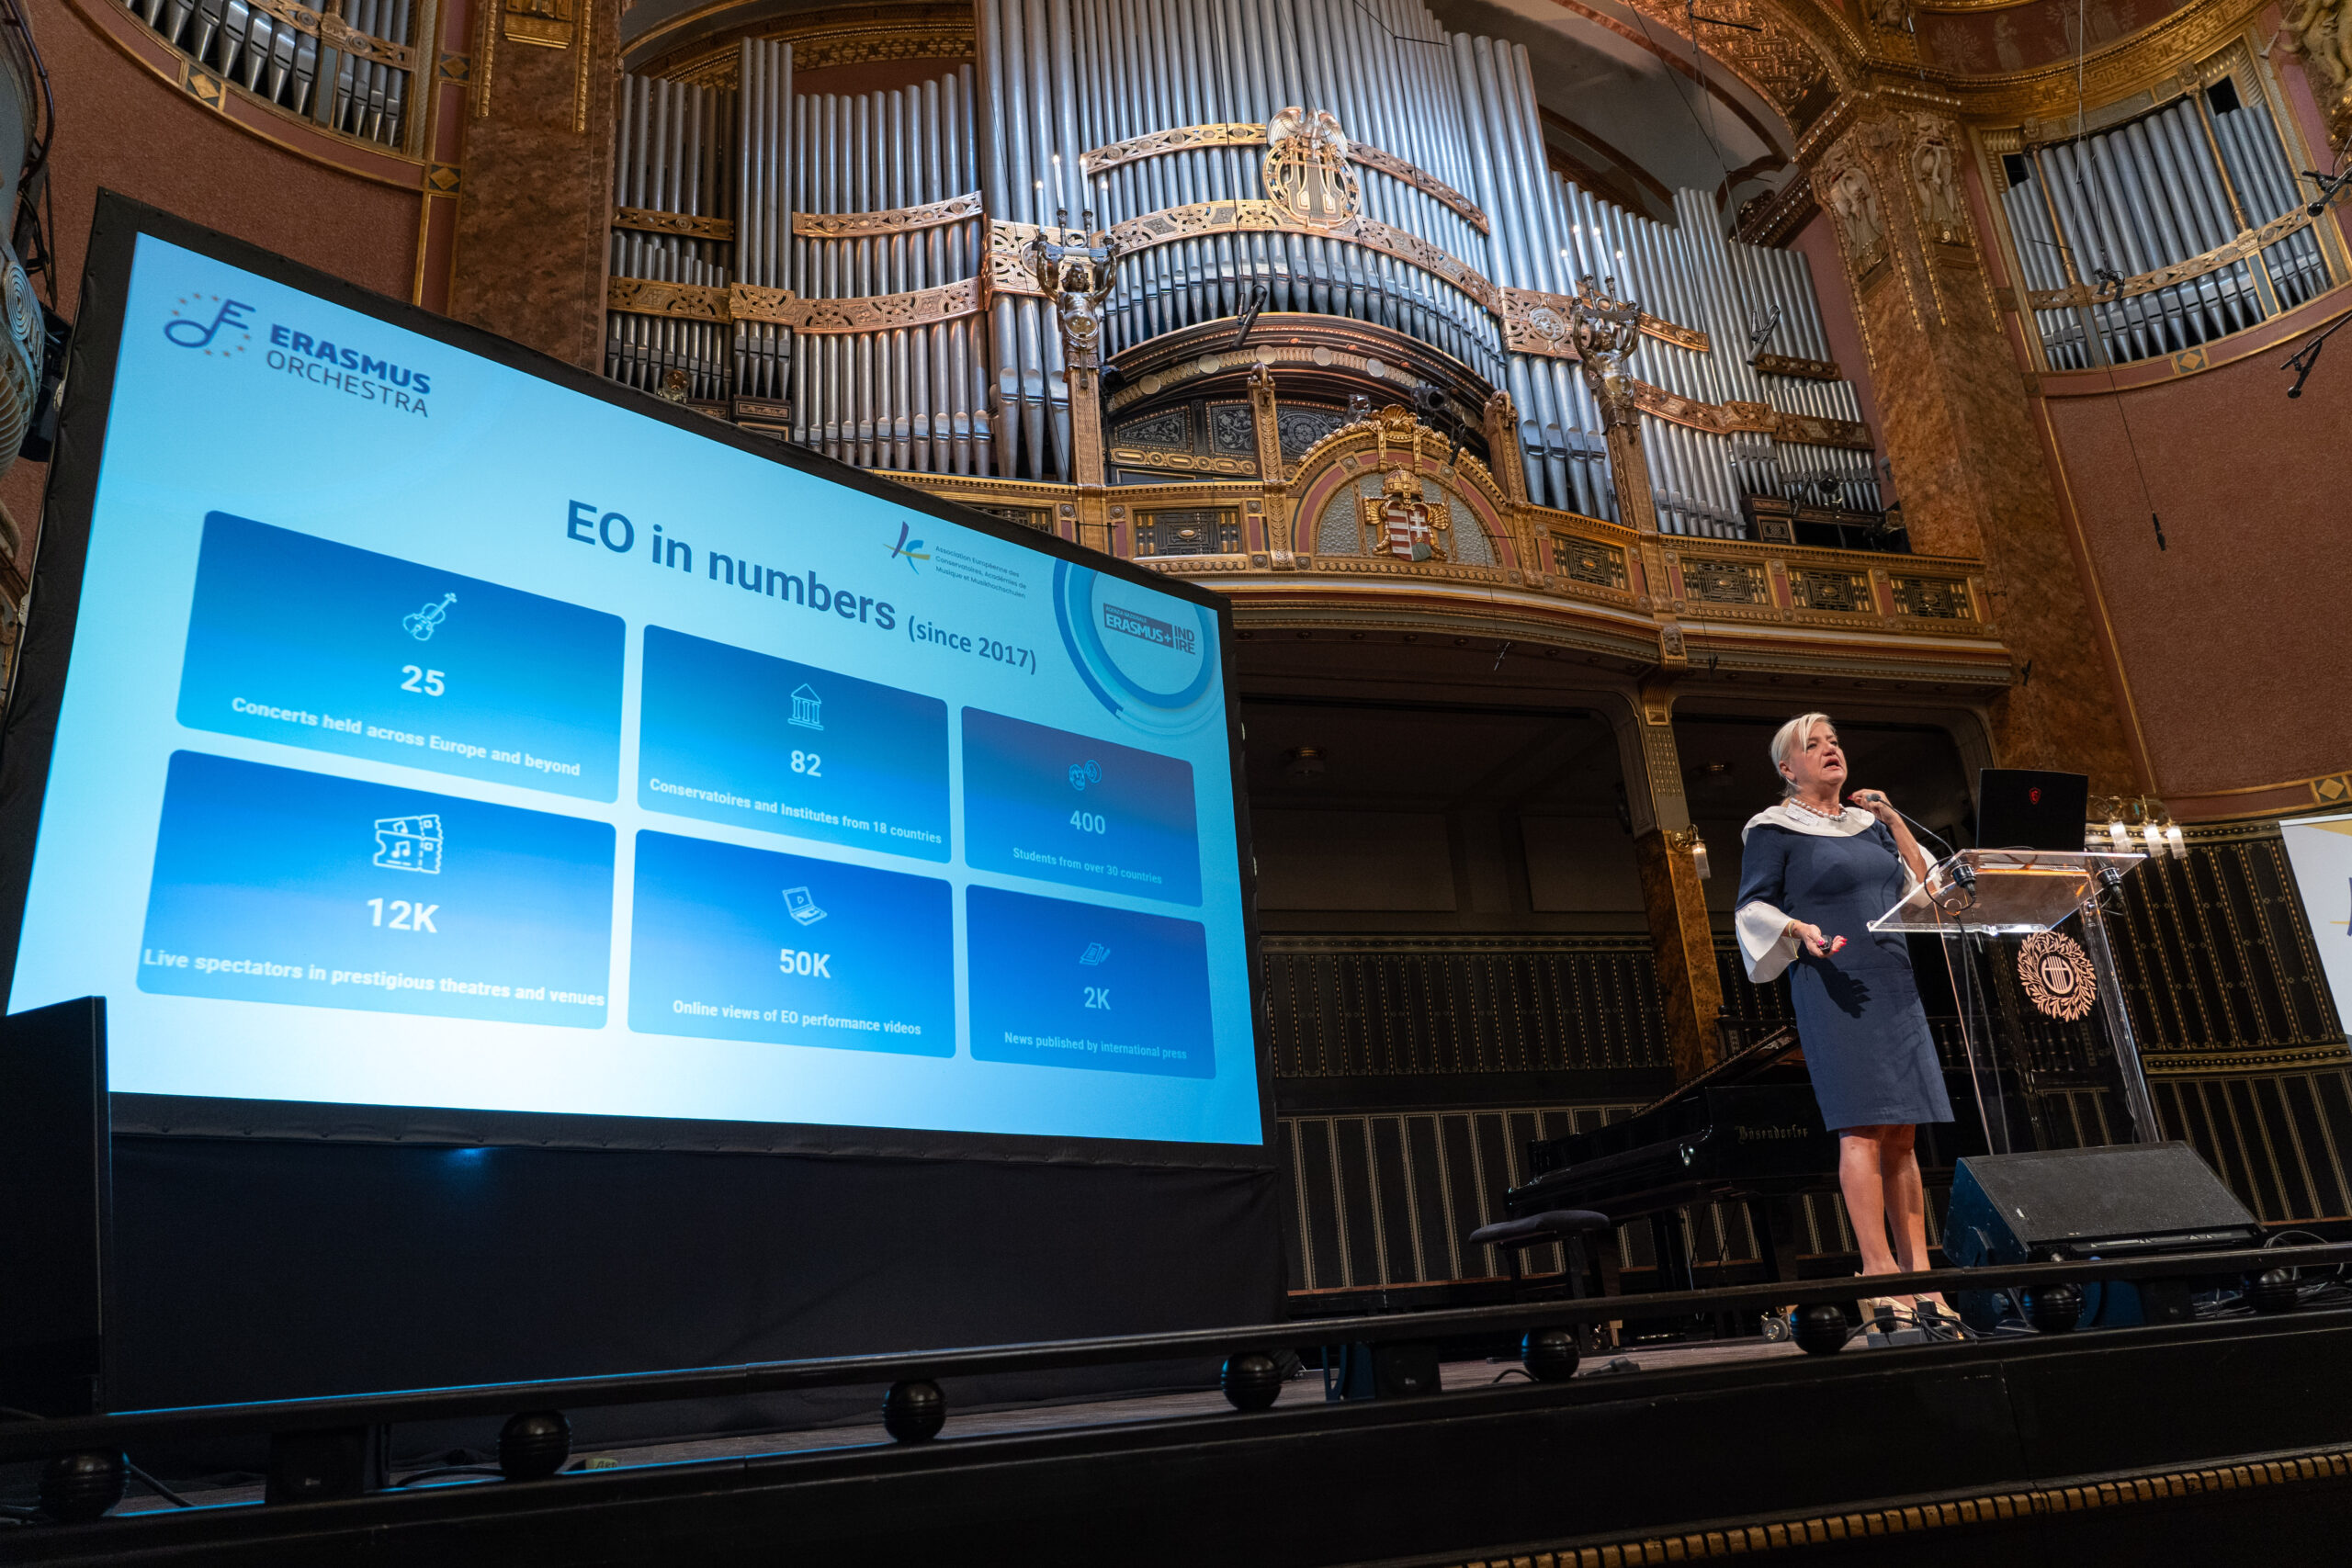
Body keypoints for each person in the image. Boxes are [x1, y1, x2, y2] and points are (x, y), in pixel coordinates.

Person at [1734, 713, 1953, 1318]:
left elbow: (1930, 890)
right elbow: (1751, 907)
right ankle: (1880, 1276)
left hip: (1895, 981)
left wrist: (1893, 819)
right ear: (1788, 768)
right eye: (1814, 745)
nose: (1830, 749)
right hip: (1835, 982)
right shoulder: (1772, 828)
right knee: (1863, 1126)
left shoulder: (1872, 823)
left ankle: (1922, 1276)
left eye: (1833, 741)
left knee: (1904, 1133)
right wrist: (1797, 929)